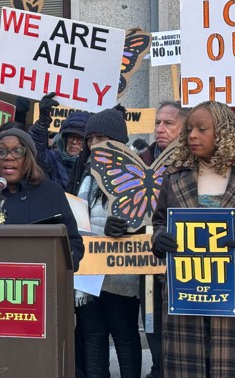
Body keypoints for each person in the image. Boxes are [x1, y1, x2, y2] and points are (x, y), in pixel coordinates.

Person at [151, 101, 235, 377]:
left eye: (202, 129)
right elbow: (160, 221)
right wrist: (160, 238)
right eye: (189, 129)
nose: (192, 136)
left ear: (222, 132)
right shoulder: (175, 176)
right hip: (185, 293)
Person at [74, 108, 142, 378]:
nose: (93, 145)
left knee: (124, 336)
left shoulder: (137, 175)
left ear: (117, 141)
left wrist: (130, 228)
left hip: (120, 270)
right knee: (92, 336)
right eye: (90, 139)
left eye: (100, 138)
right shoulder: (85, 172)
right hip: (89, 272)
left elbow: (151, 219)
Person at [0, 128, 84, 266]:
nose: (9, 157)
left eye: (17, 151)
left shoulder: (52, 193)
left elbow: (73, 245)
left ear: (29, 158)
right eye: (1, 151)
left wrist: (54, 266)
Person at [141, 100, 187, 378]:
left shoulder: (195, 164)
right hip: (146, 262)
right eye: (158, 122)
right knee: (151, 323)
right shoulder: (140, 161)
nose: (160, 128)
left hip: (181, 261)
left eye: (169, 123)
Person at [29, 92, 90, 189]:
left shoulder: (92, 168)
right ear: (63, 139)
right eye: (70, 137)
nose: (74, 142)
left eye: (80, 138)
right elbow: (35, 148)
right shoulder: (52, 159)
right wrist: (42, 122)